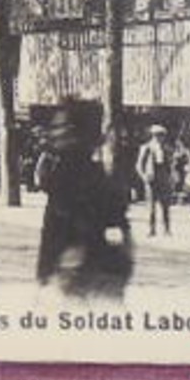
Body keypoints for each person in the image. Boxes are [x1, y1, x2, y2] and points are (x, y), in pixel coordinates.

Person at [36, 114, 132, 298]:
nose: (56, 135)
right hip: (91, 273)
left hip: (75, 273)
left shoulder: (68, 176)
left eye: (63, 130)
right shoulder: (95, 175)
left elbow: (55, 230)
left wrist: (47, 272)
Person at [135, 124, 174, 236]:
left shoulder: (166, 148)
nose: (159, 138)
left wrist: (170, 176)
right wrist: (144, 177)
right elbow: (138, 165)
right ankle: (151, 229)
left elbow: (170, 165)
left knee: (165, 205)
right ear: (152, 136)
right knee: (151, 206)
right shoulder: (146, 148)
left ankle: (166, 229)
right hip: (151, 178)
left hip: (163, 178)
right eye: (157, 135)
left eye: (162, 136)